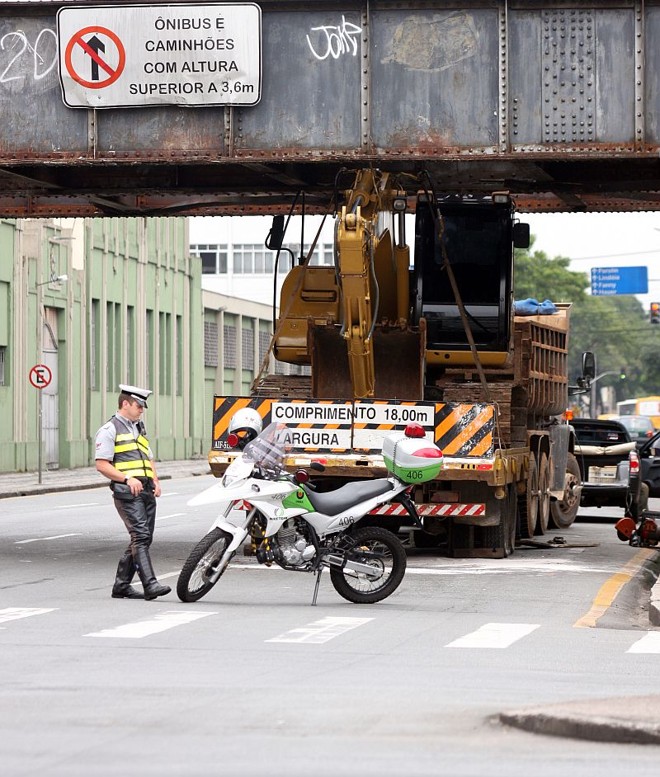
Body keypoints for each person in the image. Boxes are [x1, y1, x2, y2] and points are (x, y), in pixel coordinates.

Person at [94, 384, 171, 601]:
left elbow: (149, 458)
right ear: (125, 404)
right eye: (139, 405)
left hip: (146, 490)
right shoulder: (109, 430)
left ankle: (121, 586)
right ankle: (150, 585)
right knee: (141, 536)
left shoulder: (138, 427)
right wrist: (127, 479)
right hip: (127, 492)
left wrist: (155, 480)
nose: (142, 410)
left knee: (144, 538)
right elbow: (102, 464)